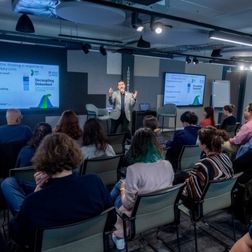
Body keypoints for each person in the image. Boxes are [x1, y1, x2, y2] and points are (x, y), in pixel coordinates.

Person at [8, 133, 116, 250]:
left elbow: (18, 236)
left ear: (42, 158)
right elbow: (111, 219)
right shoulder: (94, 182)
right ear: (74, 154)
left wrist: (37, 192)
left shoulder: (33, 202)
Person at [111, 128, 174, 250]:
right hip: (162, 211)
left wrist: (123, 189)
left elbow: (128, 204)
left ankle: (118, 235)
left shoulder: (134, 169)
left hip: (138, 216)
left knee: (119, 189)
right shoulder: (167, 164)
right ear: (155, 143)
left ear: (135, 146)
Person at [182, 126, 233, 204]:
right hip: (221, 197)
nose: (198, 141)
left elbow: (193, 194)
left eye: (199, 139)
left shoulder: (202, 165)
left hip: (204, 203)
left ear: (204, 145)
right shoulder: (225, 157)